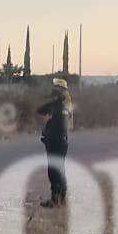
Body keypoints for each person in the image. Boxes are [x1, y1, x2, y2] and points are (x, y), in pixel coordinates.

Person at [38, 78, 73, 208]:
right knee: (60, 170)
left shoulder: (55, 108)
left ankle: (55, 200)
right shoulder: (65, 108)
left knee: (54, 171)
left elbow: (41, 110)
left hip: (55, 143)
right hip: (63, 142)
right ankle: (62, 198)